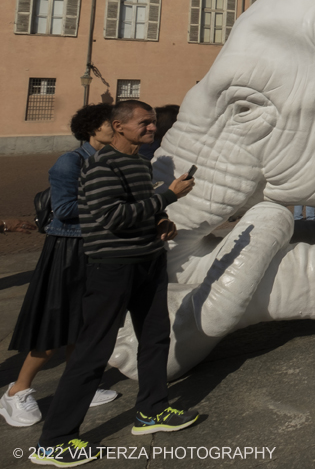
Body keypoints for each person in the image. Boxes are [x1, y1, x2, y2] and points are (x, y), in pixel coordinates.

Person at [34, 100, 200, 466]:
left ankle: (152, 410)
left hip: (148, 262)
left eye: (153, 123)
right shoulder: (101, 166)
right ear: (119, 127)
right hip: (112, 267)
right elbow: (114, 218)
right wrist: (168, 194)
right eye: (144, 123)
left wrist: (161, 219)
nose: (152, 128)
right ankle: (55, 439)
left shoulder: (140, 164)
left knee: (156, 337)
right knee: (94, 350)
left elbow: (142, 208)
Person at [4, 105, 121, 429]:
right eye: (109, 124)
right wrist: (111, 205)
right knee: (53, 327)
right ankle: (17, 391)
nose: (115, 128)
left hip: (95, 248)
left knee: (84, 324)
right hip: (68, 249)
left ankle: (79, 383)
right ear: (92, 129)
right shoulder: (69, 162)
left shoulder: (108, 160)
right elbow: (65, 208)